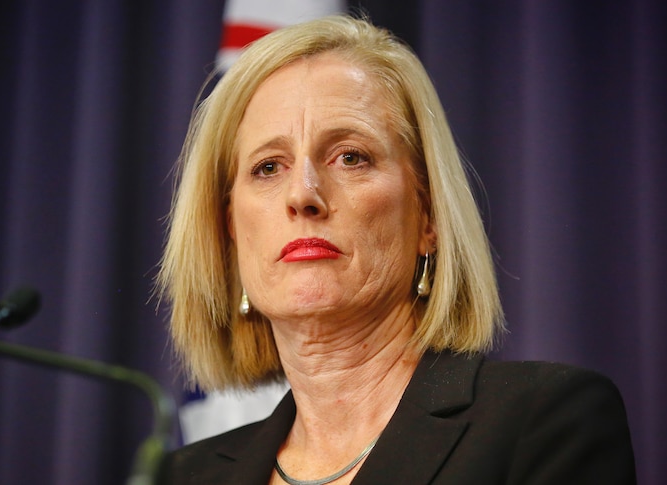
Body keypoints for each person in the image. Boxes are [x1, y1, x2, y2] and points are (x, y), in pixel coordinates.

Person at [155, 14, 635, 485]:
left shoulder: (543, 425)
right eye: (267, 167)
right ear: (230, 228)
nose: (302, 194)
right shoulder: (184, 476)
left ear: (427, 216)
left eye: (350, 157)